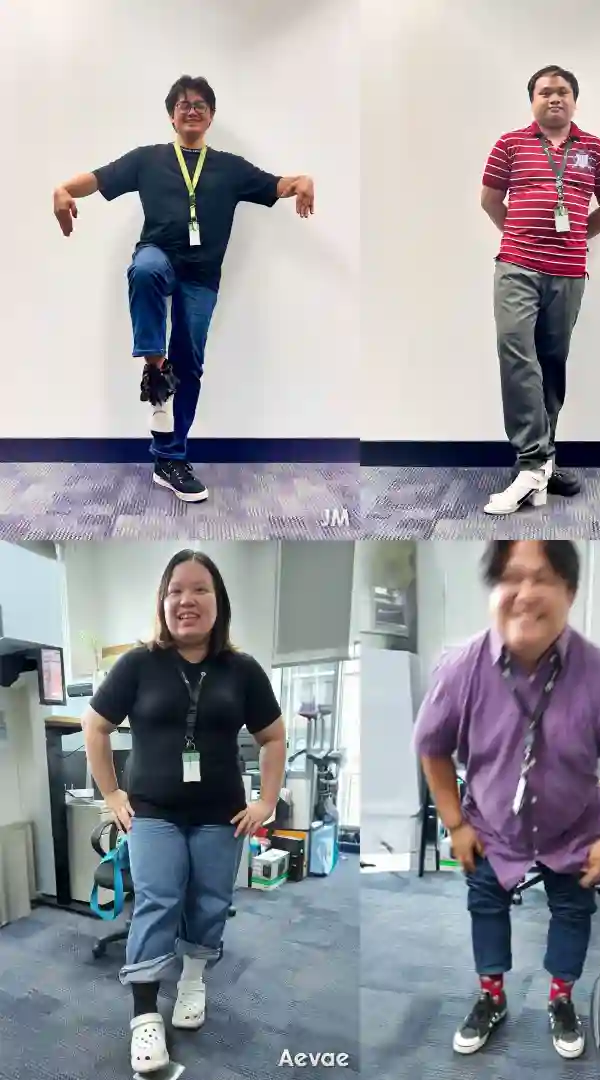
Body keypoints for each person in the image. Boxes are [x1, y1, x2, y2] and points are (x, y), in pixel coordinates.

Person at [413, 540, 600, 1059]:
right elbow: (432, 749)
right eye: (511, 578)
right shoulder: (460, 669)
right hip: (490, 823)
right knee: (485, 903)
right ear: (493, 590)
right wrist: (456, 824)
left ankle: (561, 999)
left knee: (573, 910)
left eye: (543, 578)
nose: (525, 594)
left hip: (574, 825)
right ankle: (491, 998)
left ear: (570, 592)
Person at [52, 75, 316, 504]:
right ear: (171, 116)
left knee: (190, 363)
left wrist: (302, 180)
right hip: (159, 254)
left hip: (201, 276)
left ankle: (170, 460)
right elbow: (98, 179)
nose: (191, 110)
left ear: (211, 116)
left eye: (200, 105)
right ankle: (156, 367)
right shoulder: (148, 159)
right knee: (145, 270)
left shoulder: (231, 168)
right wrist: (63, 189)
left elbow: (277, 184)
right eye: (183, 104)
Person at [81, 548, 286, 1076]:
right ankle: (145, 1014)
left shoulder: (242, 670)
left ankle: (193, 979)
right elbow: (95, 726)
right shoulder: (138, 664)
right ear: (162, 601)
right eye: (175, 590)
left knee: (211, 901)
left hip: (221, 814)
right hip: (152, 812)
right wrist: (112, 794)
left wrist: (266, 801)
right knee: (158, 900)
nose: (186, 600)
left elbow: (273, 737)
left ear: (219, 602)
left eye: (199, 589)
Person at [480, 66, 600, 516]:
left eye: (563, 91)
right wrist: (520, 238)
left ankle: (545, 463)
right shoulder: (510, 144)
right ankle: (531, 463)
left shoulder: (596, 150)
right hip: (517, 267)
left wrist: (575, 236)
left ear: (574, 101)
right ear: (533, 101)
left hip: (568, 273)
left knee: (550, 364)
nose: (554, 98)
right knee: (515, 351)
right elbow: (490, 200)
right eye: (545, 92)